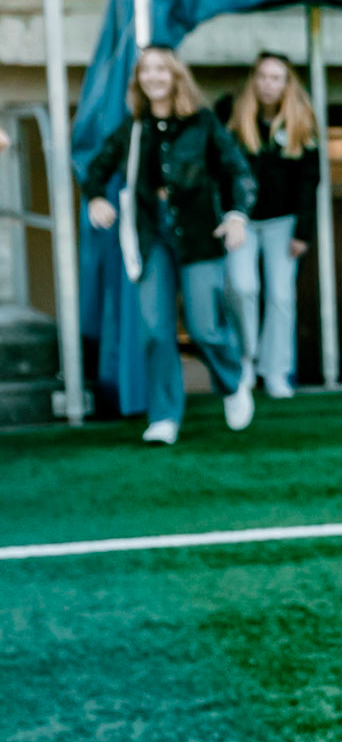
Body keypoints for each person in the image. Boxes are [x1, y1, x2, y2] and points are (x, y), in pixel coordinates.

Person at [82, 47, 256, 444]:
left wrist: (236, 214)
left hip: (199, 238)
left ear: (175, 75)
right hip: (151, 238)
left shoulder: (204, 124)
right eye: (146, 70)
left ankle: (232, 382)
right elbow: (97, 169)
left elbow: (237, 172)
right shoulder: (134, 128)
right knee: (155, 331)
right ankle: (164, 417)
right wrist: (96, 198)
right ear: (139, 80)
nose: (154, 76)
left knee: (204, 326)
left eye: (161, 69)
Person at [217, 53, 320, 398]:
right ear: (253, 79)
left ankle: (276, 370)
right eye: (262, 76)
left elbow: (310, 180)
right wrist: (225, 215)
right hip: (241, 219)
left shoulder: (301, 120)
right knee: (242, 287)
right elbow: (216, 168)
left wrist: (303, 231)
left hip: (283, 222)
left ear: (286, 83)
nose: (268, 84)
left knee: (280, 294)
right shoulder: (231, 113)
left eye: (276, 77)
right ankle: (244, 362)